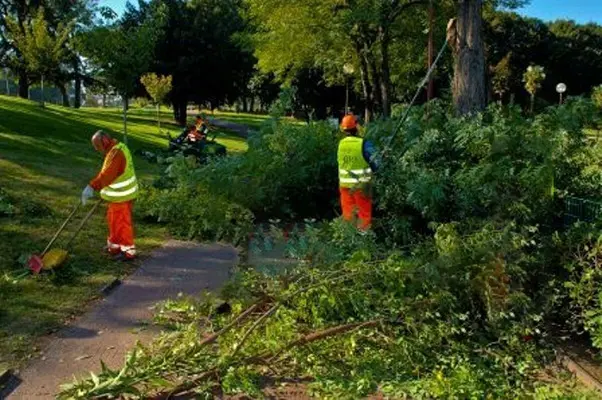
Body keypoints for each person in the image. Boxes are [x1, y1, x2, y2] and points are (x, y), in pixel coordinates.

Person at [81, 131, 139, 261]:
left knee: (121, 223)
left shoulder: (116, 153)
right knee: (114, 221)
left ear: (105, 141)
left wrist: (92, 186)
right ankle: (114, 247)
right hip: (118, 196)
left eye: (97, 146)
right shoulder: (116, 149)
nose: (97, 150)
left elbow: (107, 175)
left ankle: (128, 251)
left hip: (122, 196)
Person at [337, 114, 378, 230]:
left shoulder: (341, 144)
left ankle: (349, 240)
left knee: (349, 215)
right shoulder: (364, 144)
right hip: (361, 186)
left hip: (345, 186)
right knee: (363, 215)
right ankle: (363, 240)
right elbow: (376, 162)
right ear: (356, 127)